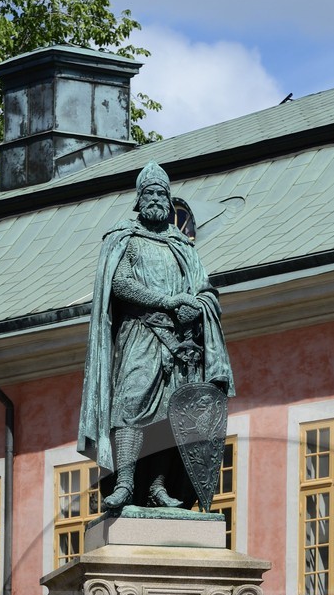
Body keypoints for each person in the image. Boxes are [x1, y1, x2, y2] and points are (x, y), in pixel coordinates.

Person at [79, 160, 234, 514]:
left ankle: (158, 487)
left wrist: (197, 307)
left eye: (161, 194)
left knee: (169, 414)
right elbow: (120, 284)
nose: (155, 199)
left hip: (179, 344)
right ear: (139, 199)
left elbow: (205, 290)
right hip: (140, 333)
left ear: (168, 199)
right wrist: (168, 302)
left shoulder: (183, 246)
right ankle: (124, 482)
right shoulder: (126, 239)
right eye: (149, 193)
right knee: (130, 406)